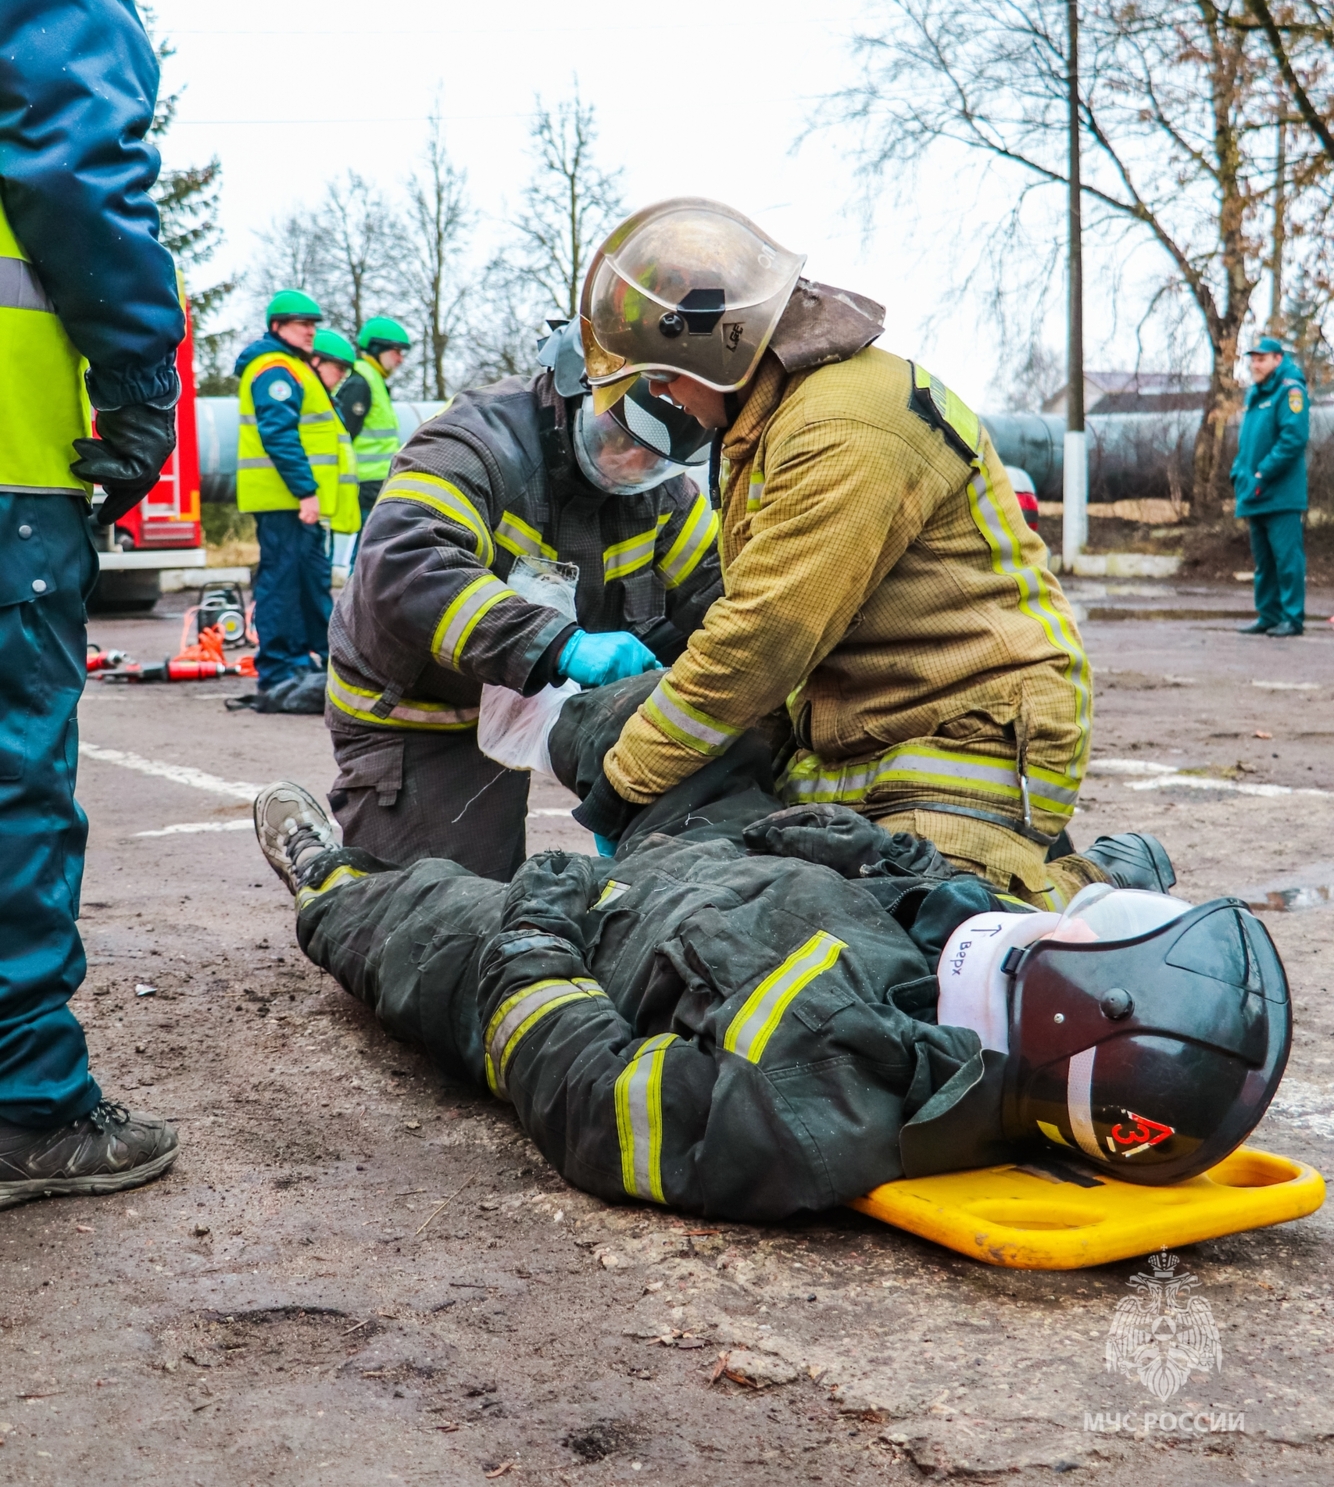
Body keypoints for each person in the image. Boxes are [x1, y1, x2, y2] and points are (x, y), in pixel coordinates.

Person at [250, 763, 1289, 1218]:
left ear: (1073, 1007)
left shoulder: (822, 1106)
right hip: (715, 862)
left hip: (589, 939)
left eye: (1077, 933)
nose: (1050, 918)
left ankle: (322, 873)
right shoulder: (980, 1008)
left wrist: (532, 937)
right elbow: (946, 911)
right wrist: (877, 856)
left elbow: (591, 1101)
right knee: (647, 725)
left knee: (408, 920)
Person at [571, 197, 1130, 909]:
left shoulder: (839, 423)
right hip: (878, 734)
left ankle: (1091, 888)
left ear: (715, 349)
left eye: (662, 373)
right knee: (785, 906)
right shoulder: (780, 420)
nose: (660, 395)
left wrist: (626, 783)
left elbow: (766, 634)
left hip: (961, 739)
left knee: (918, 936)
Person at [0, 0, 183, 1203]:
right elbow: (71, 143)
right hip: (7, 452)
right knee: (9, 772)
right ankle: (27, 1105)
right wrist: (136, 373)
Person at [325, 319, 723, 879]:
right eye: (618, 438)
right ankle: (318, 867)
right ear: (575, 389)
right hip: (424, 709)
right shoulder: (473, 443)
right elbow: (404, 565)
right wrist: (560, 645)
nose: (633, 465)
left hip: (530, 701)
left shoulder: (659, 492)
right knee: (448, 909)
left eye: (655, 457)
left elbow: (721, 592)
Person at [232, 291, 343, 713]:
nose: (311, 330)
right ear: (277, 326)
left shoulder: (292, 366)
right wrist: (305, 490)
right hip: (286, 499)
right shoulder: (274, 368)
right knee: (282, 583)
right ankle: (280, 670)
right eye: (302, 323)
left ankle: (306, 663)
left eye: (313, 324)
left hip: (294, 500)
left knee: (306, 582)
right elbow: (278, 433)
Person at [1233, 336, 1310, 639]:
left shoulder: (1290, 391)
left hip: (1281, 494)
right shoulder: (1256, 394)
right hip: (1255, 493)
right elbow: (1248, 443)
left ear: (1278, 359)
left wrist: (1263, 473)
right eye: (1253, 359)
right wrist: (1238, 473)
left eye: (1262, 359)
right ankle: (1269, 615)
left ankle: (1292, 618)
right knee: (1264, 562)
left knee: (1287, 559)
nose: (1255, 364)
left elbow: (1293, 439)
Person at [336, 315, 410, 524]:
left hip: (375, 485)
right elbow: (344, 436)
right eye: (396, 352)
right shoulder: (361, 383)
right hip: (364, 486)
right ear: (378, 350)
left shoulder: (373, 381)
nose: (400, 359)